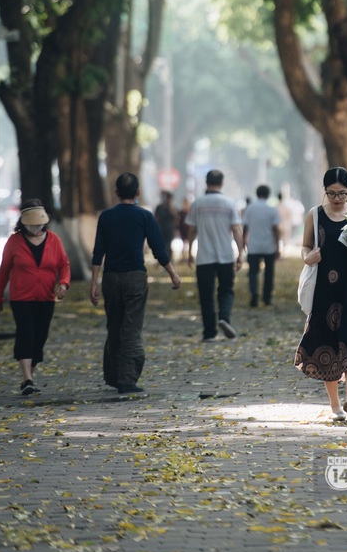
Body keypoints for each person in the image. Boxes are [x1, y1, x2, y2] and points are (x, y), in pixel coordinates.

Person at [294, 167, 347, 422]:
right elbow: (305, 246)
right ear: (325, 191)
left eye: (342, 193)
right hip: (324, 290)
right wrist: (307, 258)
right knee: (326, 345)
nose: (337, 198)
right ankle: (335, 407)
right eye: (331, 193)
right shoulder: (315, 215)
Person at [90, 172, 182, 394]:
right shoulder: (144, 216)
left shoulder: (106, 216)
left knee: (114, 325)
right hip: (134, 278)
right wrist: (173, 274)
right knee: (131, 328)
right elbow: (158, 248)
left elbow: (98, 251)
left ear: (116, 193)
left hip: (110, 278)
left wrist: (94, 282)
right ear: (138, 192)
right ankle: (127, 379)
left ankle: (113, 376)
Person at [0, 199, 71, 396]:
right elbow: (4, 271)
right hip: (21, 298)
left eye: (39, 225)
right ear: (23, 223)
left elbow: (64, 264)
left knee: (40, 337)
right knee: (26, 333)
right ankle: (27, 378)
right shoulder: (14, 242)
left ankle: (29, 376)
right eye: (32, 225)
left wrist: (63, 282)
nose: (36, 228)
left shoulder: (54, 240)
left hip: (46, 297)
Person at [186, 169, 244, 341]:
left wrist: (189, 252)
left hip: (204, 257)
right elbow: (236, 229)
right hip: (225, 256)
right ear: (222, 183)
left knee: (206, 294)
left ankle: (209, 332)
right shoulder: (229, 203)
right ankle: (224, 318)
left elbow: (191, 230)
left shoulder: (197, 204)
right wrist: (240, 253)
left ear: (206, 182)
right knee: (226, 291)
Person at [243, 184, 281, 307]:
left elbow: (245, 227)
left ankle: (254, 293)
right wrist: (278, 246)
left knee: (253, 272)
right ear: (268, 195)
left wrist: (243, 242)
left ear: (257, 194)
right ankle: (267, 298)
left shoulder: (250, 209)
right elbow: (276, 229)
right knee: (269, 273)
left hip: (253, 246)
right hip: (268, 246)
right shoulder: (272, 209)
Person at [154, 190, 177, 261]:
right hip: (161, 229)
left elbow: (176, 219)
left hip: (169, 230)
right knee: (162, 246)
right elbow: (156, 218)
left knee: (168, 246)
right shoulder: (159, 207)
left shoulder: (172, 208)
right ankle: (163, 261)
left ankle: (169, 260)